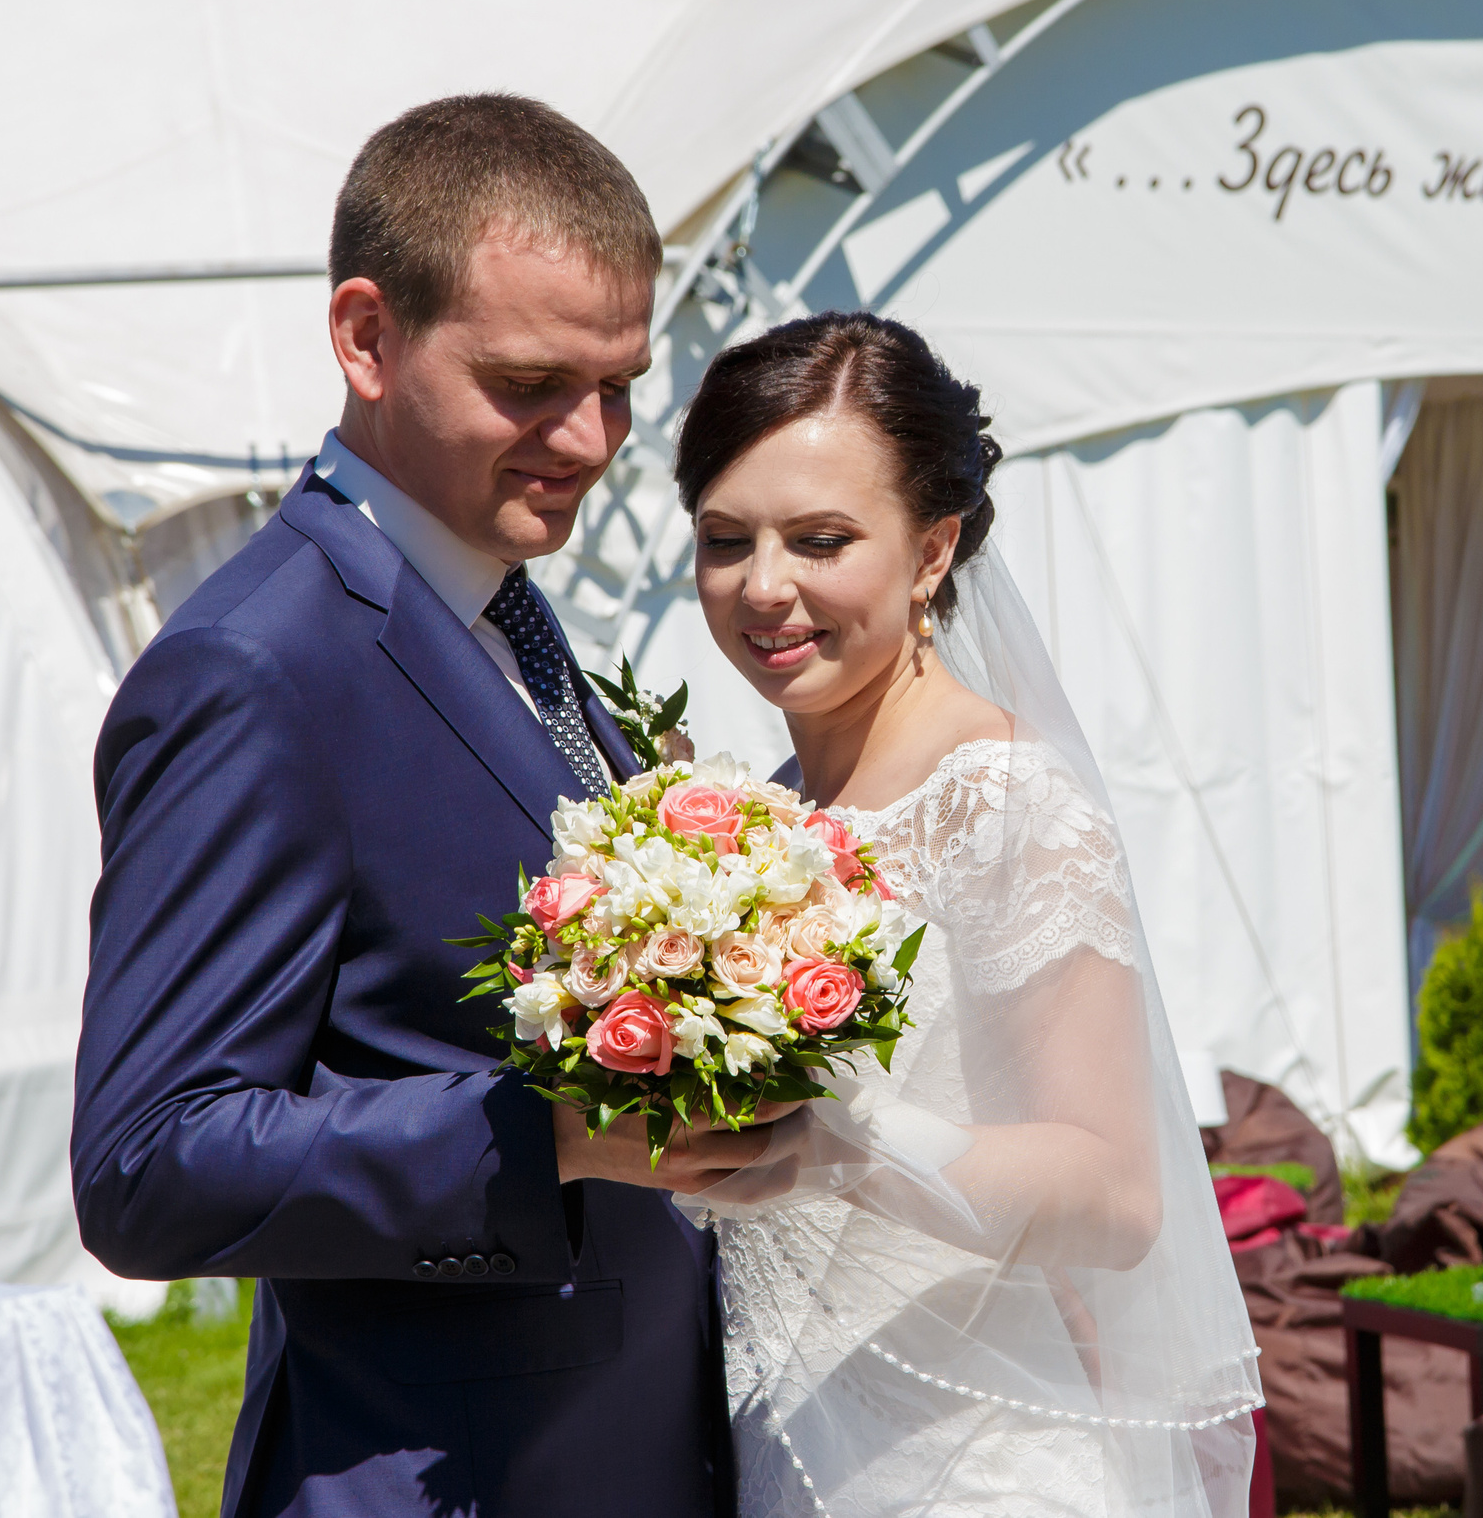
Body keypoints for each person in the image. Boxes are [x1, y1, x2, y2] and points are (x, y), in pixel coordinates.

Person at [72, 94, 763, 1518]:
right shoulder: (254, 667)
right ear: (367, 336)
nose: (590, 438)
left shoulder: (500, 607)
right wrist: (549, 1133)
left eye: (620, 384)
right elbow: (149, 1162)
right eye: (530, 383)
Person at [671, 312, 1263, 1516]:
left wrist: (849, 1143)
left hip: (971, 1465)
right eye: (726, 540)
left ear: (932, 549)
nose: (764, 586)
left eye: (821, 540)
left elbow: (1115, 1195)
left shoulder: (1007, 802)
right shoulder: (757, 822)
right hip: (779, 1446)